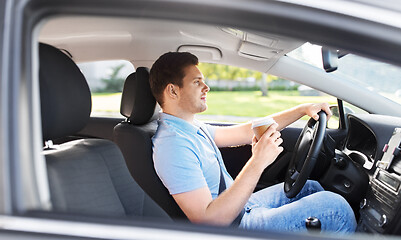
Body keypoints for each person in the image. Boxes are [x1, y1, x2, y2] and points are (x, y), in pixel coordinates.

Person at [149, 52, 356, 233]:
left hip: (242, 206)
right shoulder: (173, 146)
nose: (207, 87)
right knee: (336, 208)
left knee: (310, 187)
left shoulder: (190, 128)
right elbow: (210, 222)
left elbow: (245, 131)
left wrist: (302, 110)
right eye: (197, 82)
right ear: (173, 91)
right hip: (237, 225)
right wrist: (258, 161)